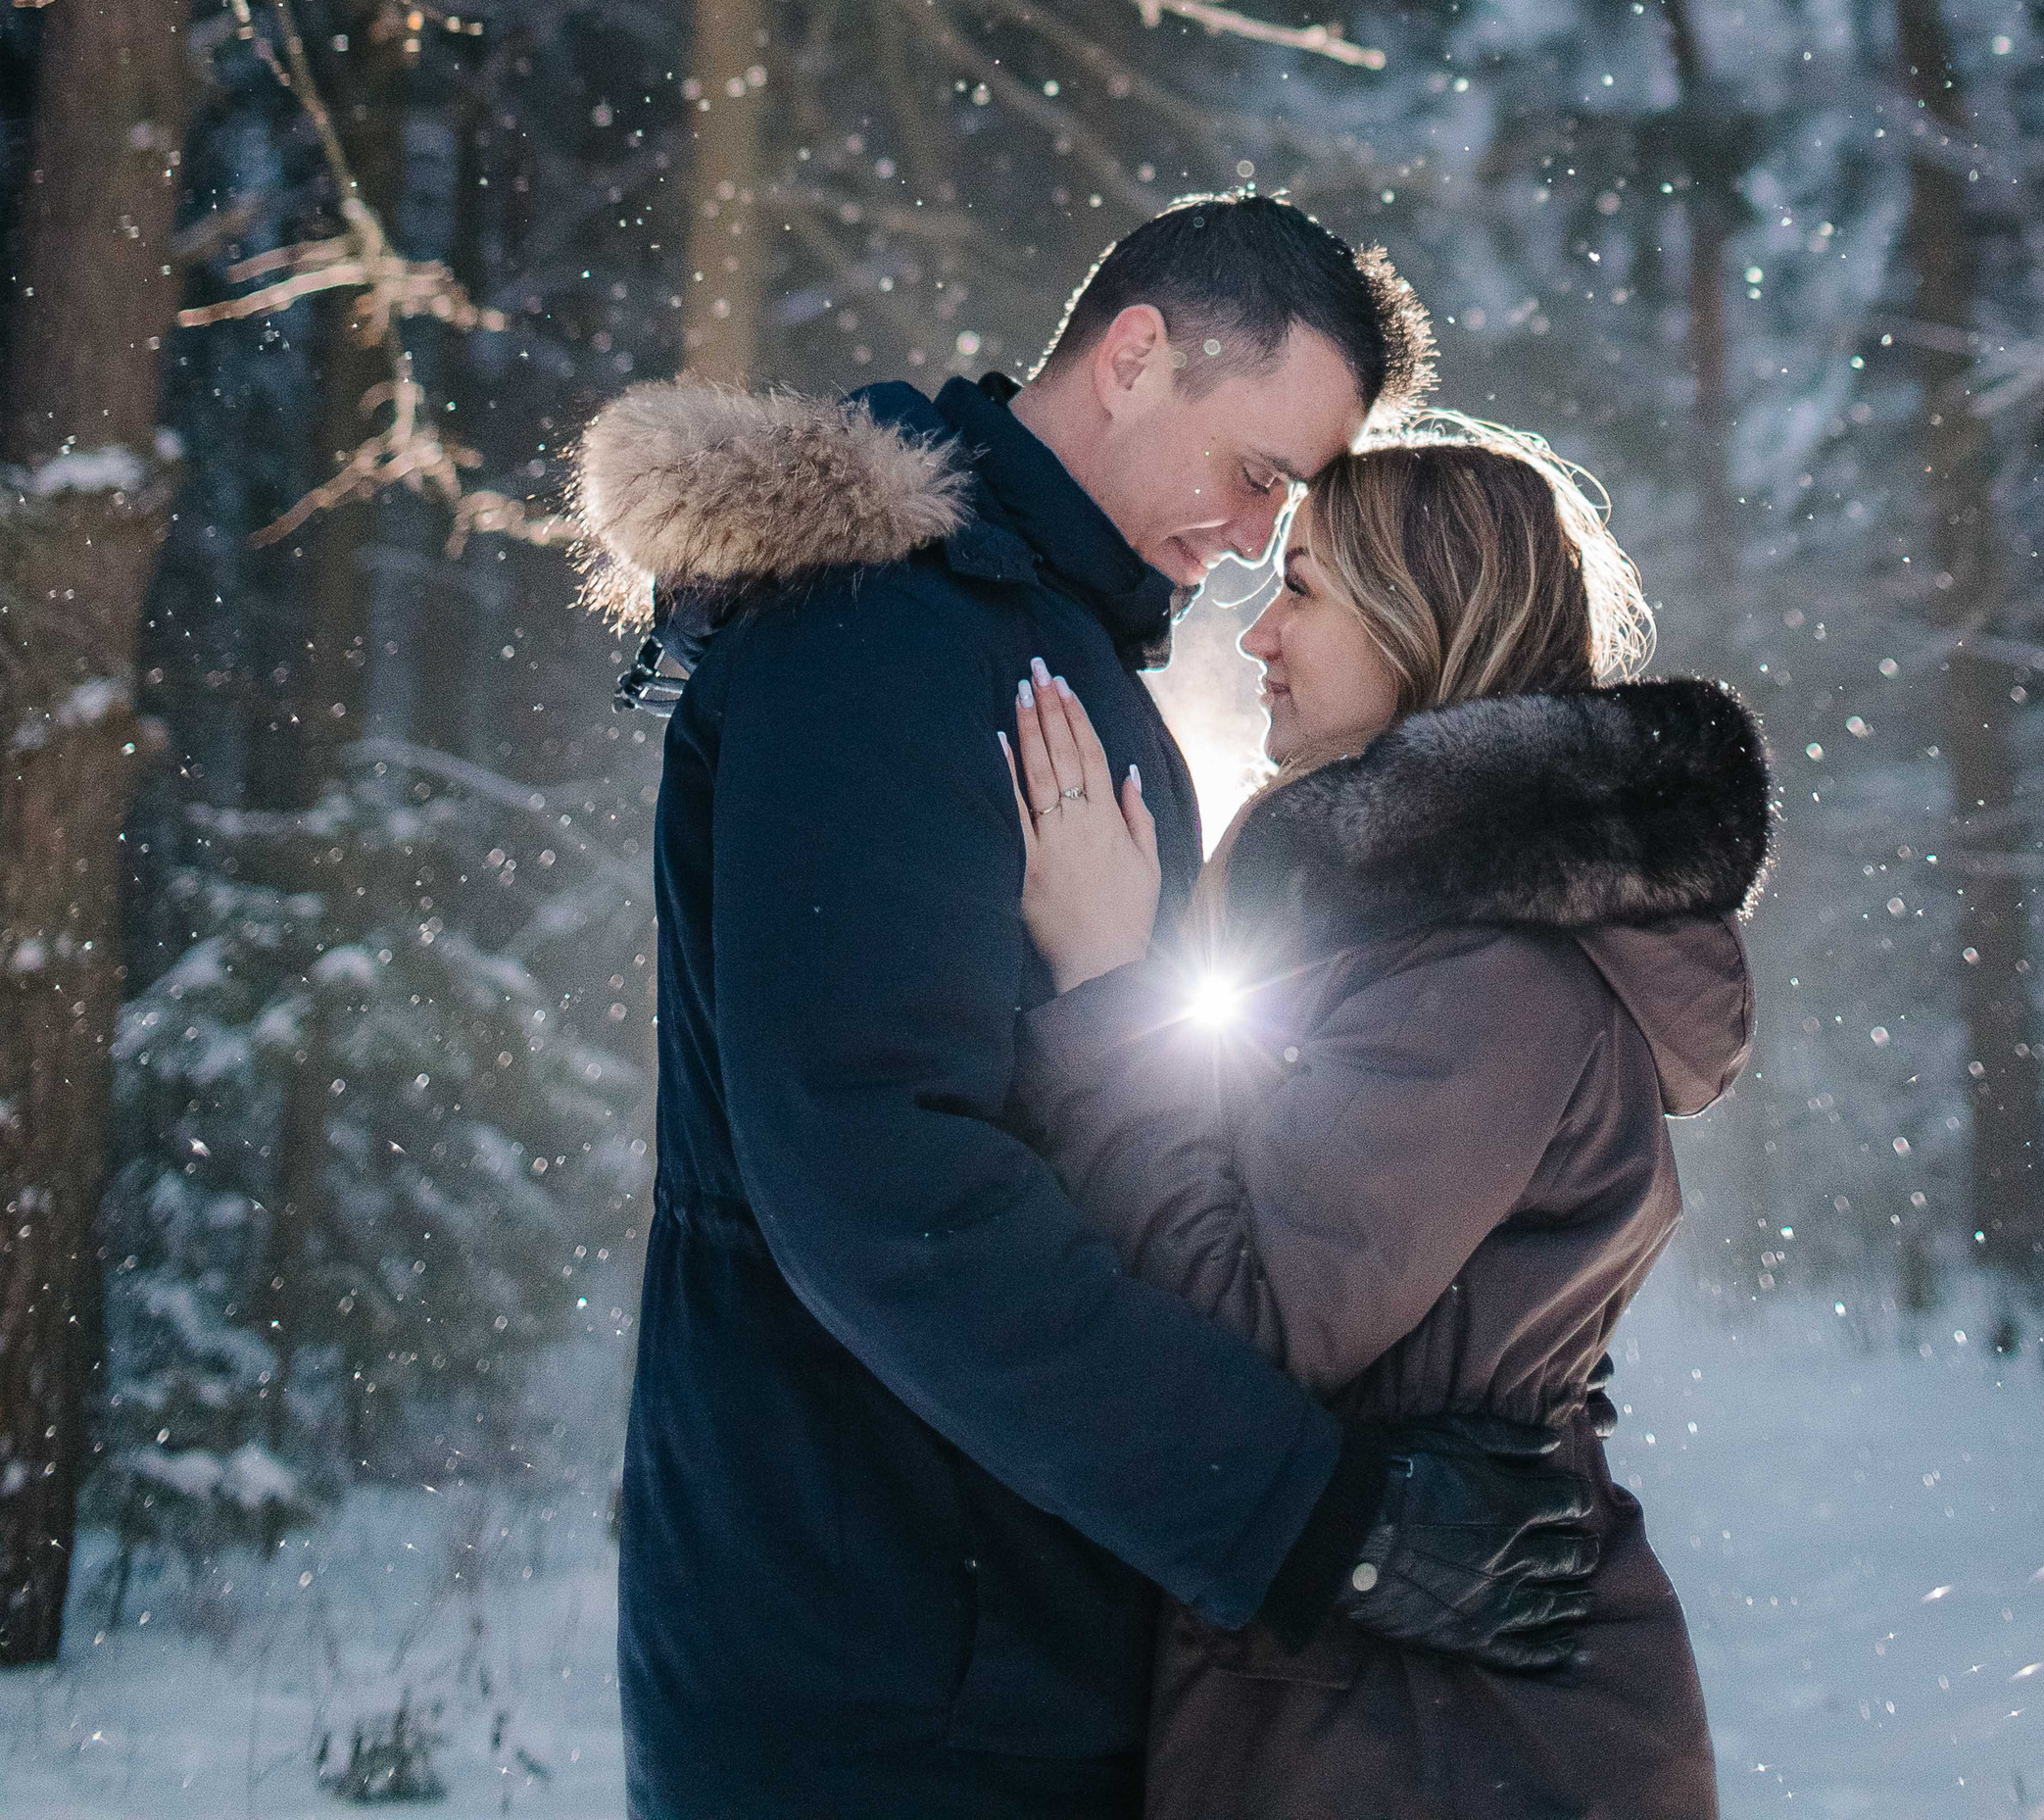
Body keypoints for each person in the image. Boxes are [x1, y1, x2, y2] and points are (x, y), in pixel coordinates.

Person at [574, 197, 1602, 1820]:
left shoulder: (1024, 639)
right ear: (1134, 358)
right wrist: (1305, 1517)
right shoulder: (889, 641)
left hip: (978, 1632)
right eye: (1255, 473)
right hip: (881, 1674)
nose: (1255, 539)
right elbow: (884, 1188)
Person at [997, 421, 1770, 1820]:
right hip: (1393, 1688)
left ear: (1425, 627)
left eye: (1302, 590)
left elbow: (1242, 1328)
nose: (1258, 637)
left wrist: (1106, 989)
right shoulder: (1416, 944)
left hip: (1445, 1726)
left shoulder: (1486, 974)